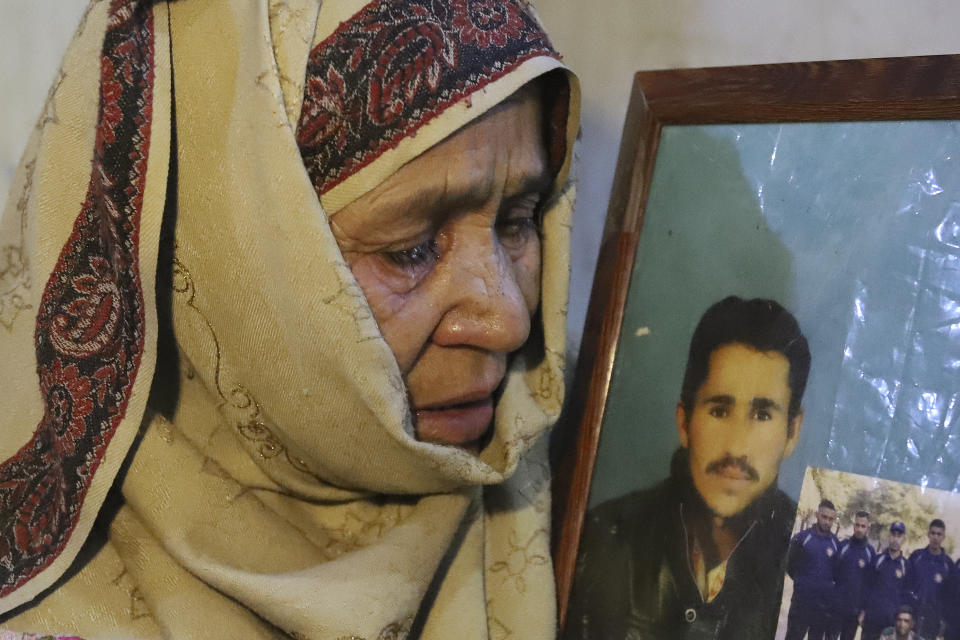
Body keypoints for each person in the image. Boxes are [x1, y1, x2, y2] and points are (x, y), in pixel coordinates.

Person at [0, 0, 579, 638]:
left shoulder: (583, 499)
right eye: (409, 249)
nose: (508, 324)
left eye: (518, 220)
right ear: (229, 268)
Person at [565, 296, 810, 640]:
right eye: (720, 410)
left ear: (792, 432)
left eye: (762, 414)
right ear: (684, 421)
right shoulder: (602, 540)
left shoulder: (811, 565)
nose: (736, 447)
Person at [785, 499, 840, 640]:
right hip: (801, 604)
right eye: (824, 517)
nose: (827, 522)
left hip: (822, 608)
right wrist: (802, 582)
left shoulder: (836, 544)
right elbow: (790, 565)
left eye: (831, 519)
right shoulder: (802, 538)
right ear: (817, 515)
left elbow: (836, 573)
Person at [863, 522, 911, 640]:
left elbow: (906, 595)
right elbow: (866, 587)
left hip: (891, 623)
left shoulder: (906, 566)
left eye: (899, 536)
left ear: (903, 539)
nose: (895, 539)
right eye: (893, 535)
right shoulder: (878, 560)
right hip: (872, 619)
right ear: (889, 537)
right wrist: (863, 612)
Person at [834, 510, 877, 640]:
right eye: (857, 525)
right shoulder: (843, 546)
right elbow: (833, 574)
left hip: (854, 612)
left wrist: (863, 610)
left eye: (863, 526)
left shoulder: (870, 553)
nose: (859, 529)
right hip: (836, 608)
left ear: (868, 528)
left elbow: (870, 585)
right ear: (853, 525)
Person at [905, 519, 951, 640]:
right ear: (928, 534)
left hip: (933, 621)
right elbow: (906, 585)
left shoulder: (947, 564)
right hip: (913, 616)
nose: (935, 537)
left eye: (939, 534)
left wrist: (943, 621)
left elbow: (948, 597)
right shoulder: (916, 556)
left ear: (943, 537)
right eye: (933, 533)